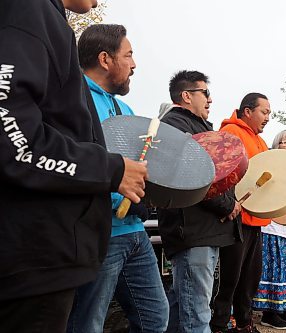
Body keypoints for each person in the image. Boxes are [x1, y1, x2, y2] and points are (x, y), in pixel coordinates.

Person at [0, 1, 147, 332]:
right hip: (32, 258)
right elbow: (14, 140)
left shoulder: (45, 18)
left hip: (43, 253)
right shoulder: (26, 10)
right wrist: (111, 170)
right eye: (129, 54)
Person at [66, 24, 169, 333]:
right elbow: (70, 162)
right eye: (129, 55)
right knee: (88, 324)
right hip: (99, 233)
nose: (134, 64)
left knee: (155, 318)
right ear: (105, 59)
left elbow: (137, 163)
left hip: (135, 231)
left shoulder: (124, 107)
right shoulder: (72, 100)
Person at [158, 70, 242, 333]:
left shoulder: (200, 127)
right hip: (193, 231)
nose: (210, 99)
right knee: (197, 313)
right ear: (186, 95)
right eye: (205, 92)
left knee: (182, 303)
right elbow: (191, 174)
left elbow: (218, 173)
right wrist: (227, 205)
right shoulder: (174, 125)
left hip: (206, 230)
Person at [210, 93, 271, 333]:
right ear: (247, 111)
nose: (267, 117)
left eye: (269, 113)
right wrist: (227, 205)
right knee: (230, 278)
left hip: (256, 219)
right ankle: (221, 324)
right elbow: (219, 174)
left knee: (250, 277)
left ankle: (244, 322)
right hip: (235, 220)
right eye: (264, 112)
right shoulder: (231, 133)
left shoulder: (260, 141)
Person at [251, 130, 286, 330]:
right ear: (276, 146)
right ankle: (269, 312)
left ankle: (283, 308)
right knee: (274, 268)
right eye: (284, 142)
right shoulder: (271, 164)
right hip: (274, 225)